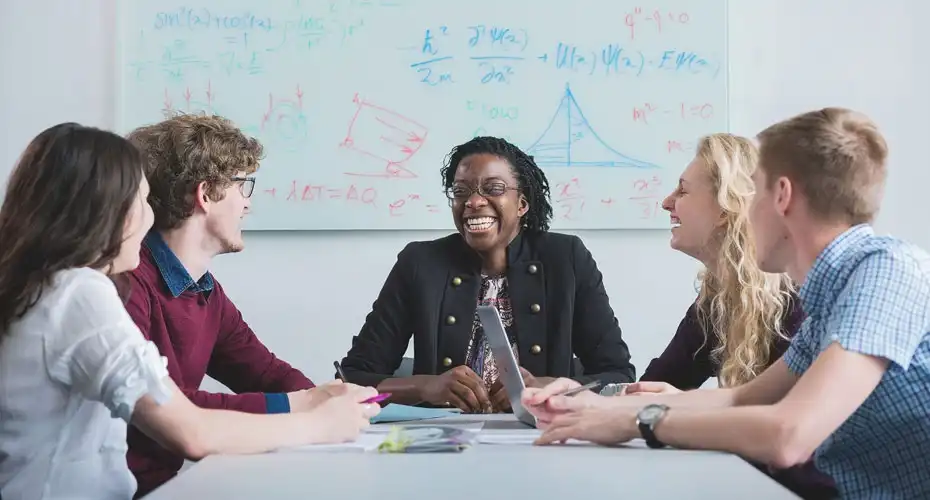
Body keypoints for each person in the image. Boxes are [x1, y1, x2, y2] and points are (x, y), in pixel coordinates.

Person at [523, 108, 930, 499]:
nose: (744, 212)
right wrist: (592, 404)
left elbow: (789, 435)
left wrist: (635, 421)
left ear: (782, 195)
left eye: (754, 192)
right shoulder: (830, 298)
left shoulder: (887, 271)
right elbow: (742, 397)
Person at [0, 123, 379, 500]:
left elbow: (260, 370)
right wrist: (315, 422)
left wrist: (324, 398)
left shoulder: (45, 287)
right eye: (141, 202)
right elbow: (191, 431)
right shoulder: (81, 292)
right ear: (109, 210)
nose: (149, 218)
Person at [339, 136, 635, 414]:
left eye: (493, 189)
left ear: (522, 204)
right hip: (441, 445)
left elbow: (618, 377)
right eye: (461, 191)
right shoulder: (420, 262)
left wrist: (548, 388)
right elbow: (353, 379)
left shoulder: (567, 258)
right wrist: (427, 386)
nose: (473, 202)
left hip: (542, 438)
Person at [123, 113, 324, 496]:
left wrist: (328, 399)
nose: (247, 205)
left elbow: (264, 372)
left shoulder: (206, 292)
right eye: (242, 187)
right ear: (204, 194)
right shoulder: (128, 284)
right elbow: (172, 404)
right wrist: (303, 406)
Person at [626, 133, 835, 499]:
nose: (666, 202)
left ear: (725, 208)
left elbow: (794, 439)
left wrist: (682, 409)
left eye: (683, 191)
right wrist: (581, 396)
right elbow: (654, 386)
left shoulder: (801, 301)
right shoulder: (714, 303)